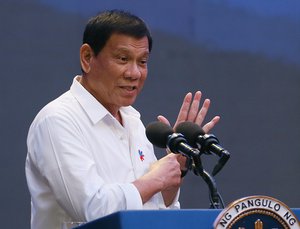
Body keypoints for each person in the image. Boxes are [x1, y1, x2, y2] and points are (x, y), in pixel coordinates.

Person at [25, 10, 220, 229]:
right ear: (87, 58)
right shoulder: (57, 120)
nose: (134, 73)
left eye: (143, 61)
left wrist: (175, 168)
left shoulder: (133, 122)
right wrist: (155, 179)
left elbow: (152, 209)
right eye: (123, 59)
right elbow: (94, 211)